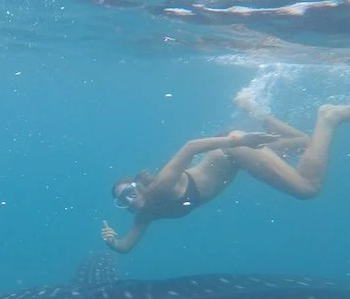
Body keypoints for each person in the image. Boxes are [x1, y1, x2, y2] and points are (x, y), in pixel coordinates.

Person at [101, 88, 350, 254]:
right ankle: (252, 109)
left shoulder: (163, 185)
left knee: (307, 188)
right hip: (235, 154)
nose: (130, 199)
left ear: (140, 185)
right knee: (306, 143)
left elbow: (191, 147)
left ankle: (329, 116)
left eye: (130, 191)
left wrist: (240, 141)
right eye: (123, 200)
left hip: (236, 151)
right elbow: (126, 246)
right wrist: (112, 241)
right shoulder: (146, 216)